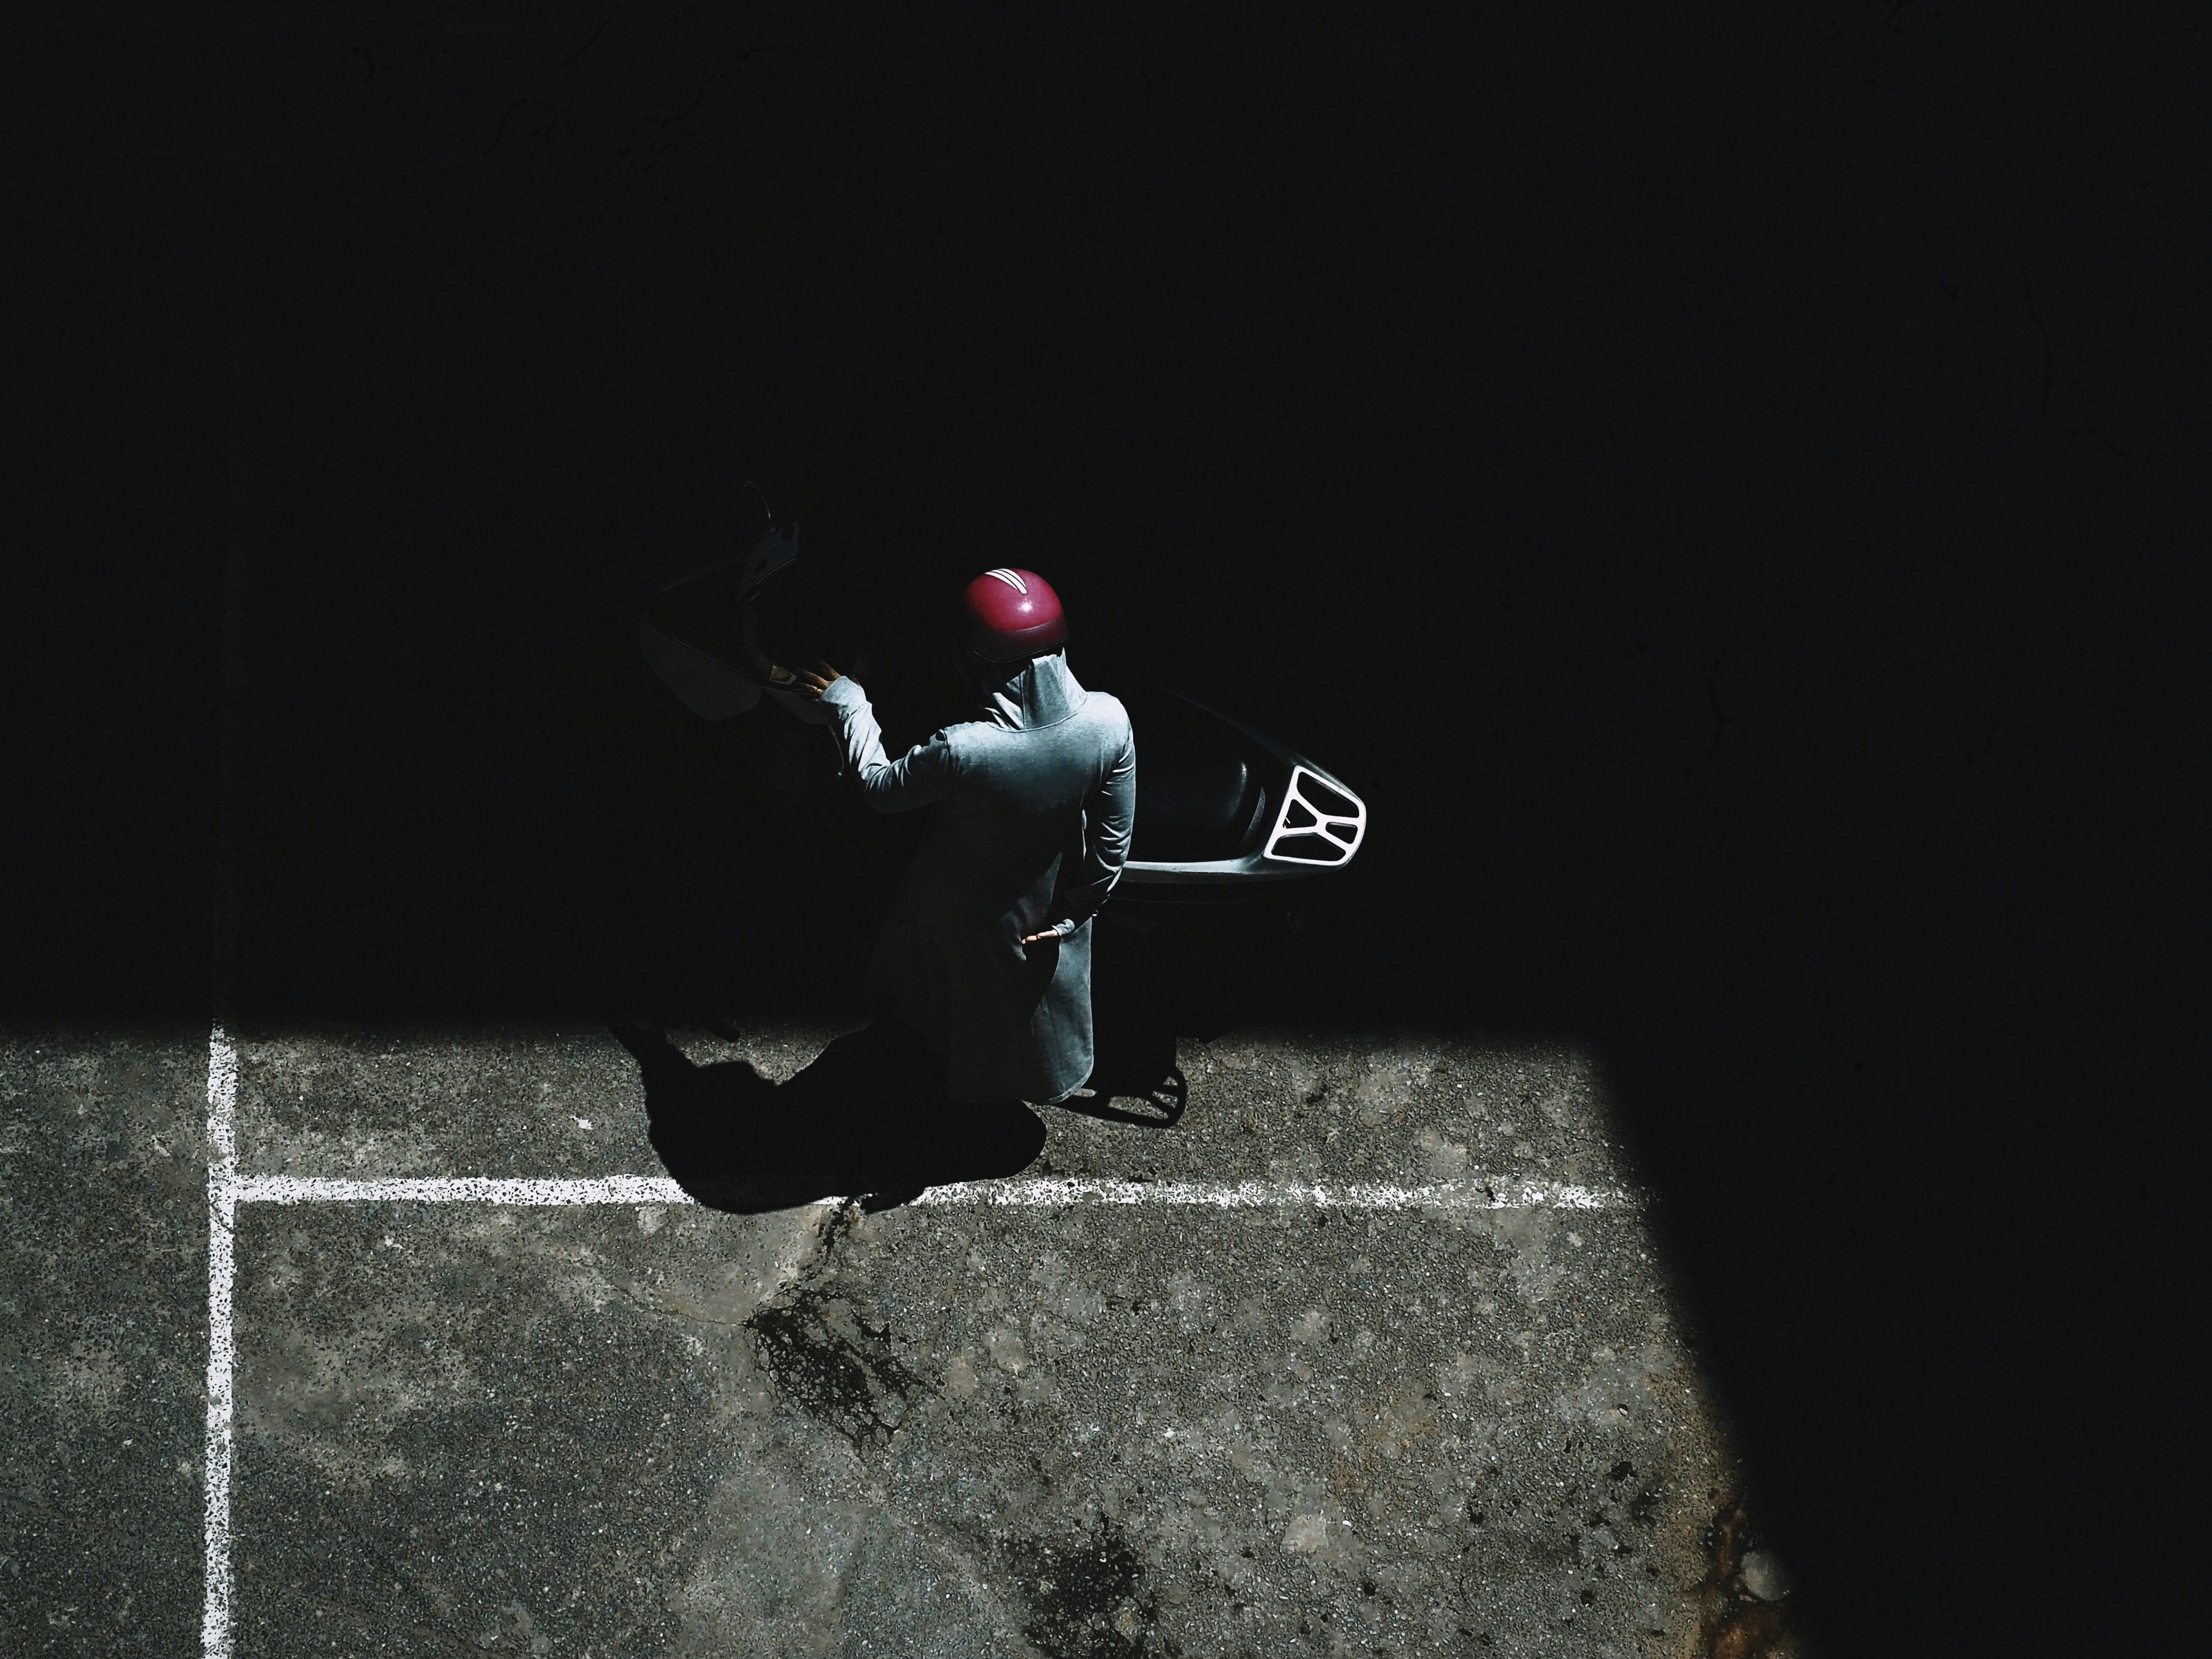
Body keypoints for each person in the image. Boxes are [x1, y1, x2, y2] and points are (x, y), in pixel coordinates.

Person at [791, 568, 1136, 1107]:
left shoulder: (967, 749)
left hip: (961, 899)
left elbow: (882, 788)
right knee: (1025, 1016)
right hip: (1045, 901)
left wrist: (850, 702)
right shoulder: (1109, 721)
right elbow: (1112, 843)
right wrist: (1075, 913)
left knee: (947, 1011)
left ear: (976, 664)